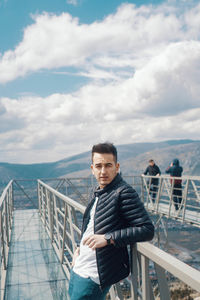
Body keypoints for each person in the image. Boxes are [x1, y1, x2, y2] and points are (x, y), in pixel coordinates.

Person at [68, 143, 154, 300]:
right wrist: (79, 249)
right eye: (99, 166)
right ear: (92, 168)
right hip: (78, 267)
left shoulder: (124, 192)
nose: (103, 171)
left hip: (93, 277)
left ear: (117, 166)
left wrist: (108, 238)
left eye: (108, 165)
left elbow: (147, 229)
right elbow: (92, 225)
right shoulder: (100, 191)